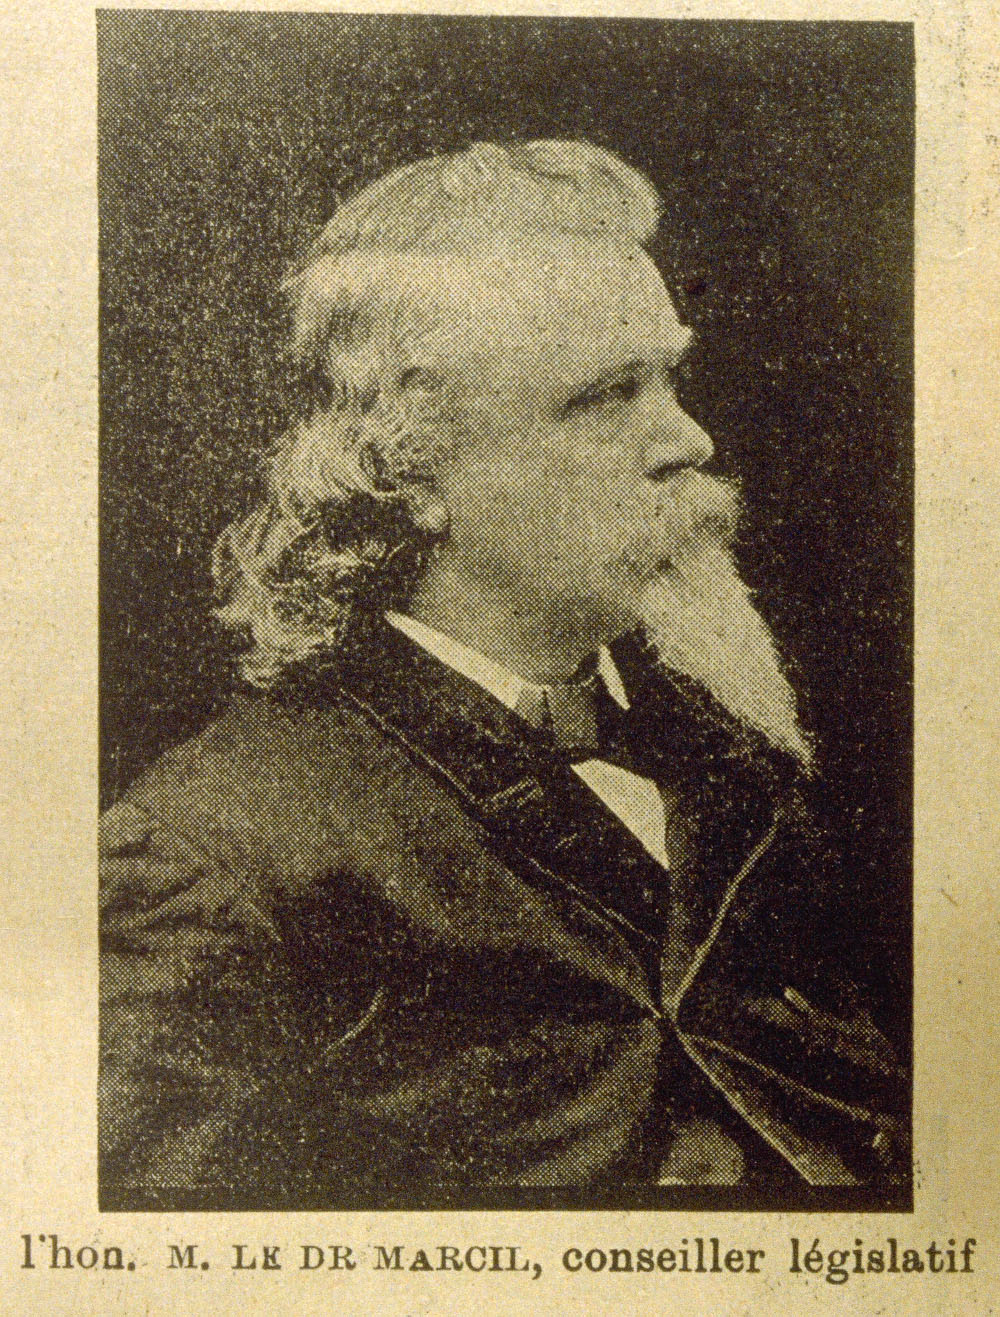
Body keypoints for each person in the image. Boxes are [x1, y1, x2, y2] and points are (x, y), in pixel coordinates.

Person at [99, 138, 906, 1206]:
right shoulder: (212, 852)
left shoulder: (738, 761)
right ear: (409, 470)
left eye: (670, 377)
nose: (690, 440)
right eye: (606, 395)